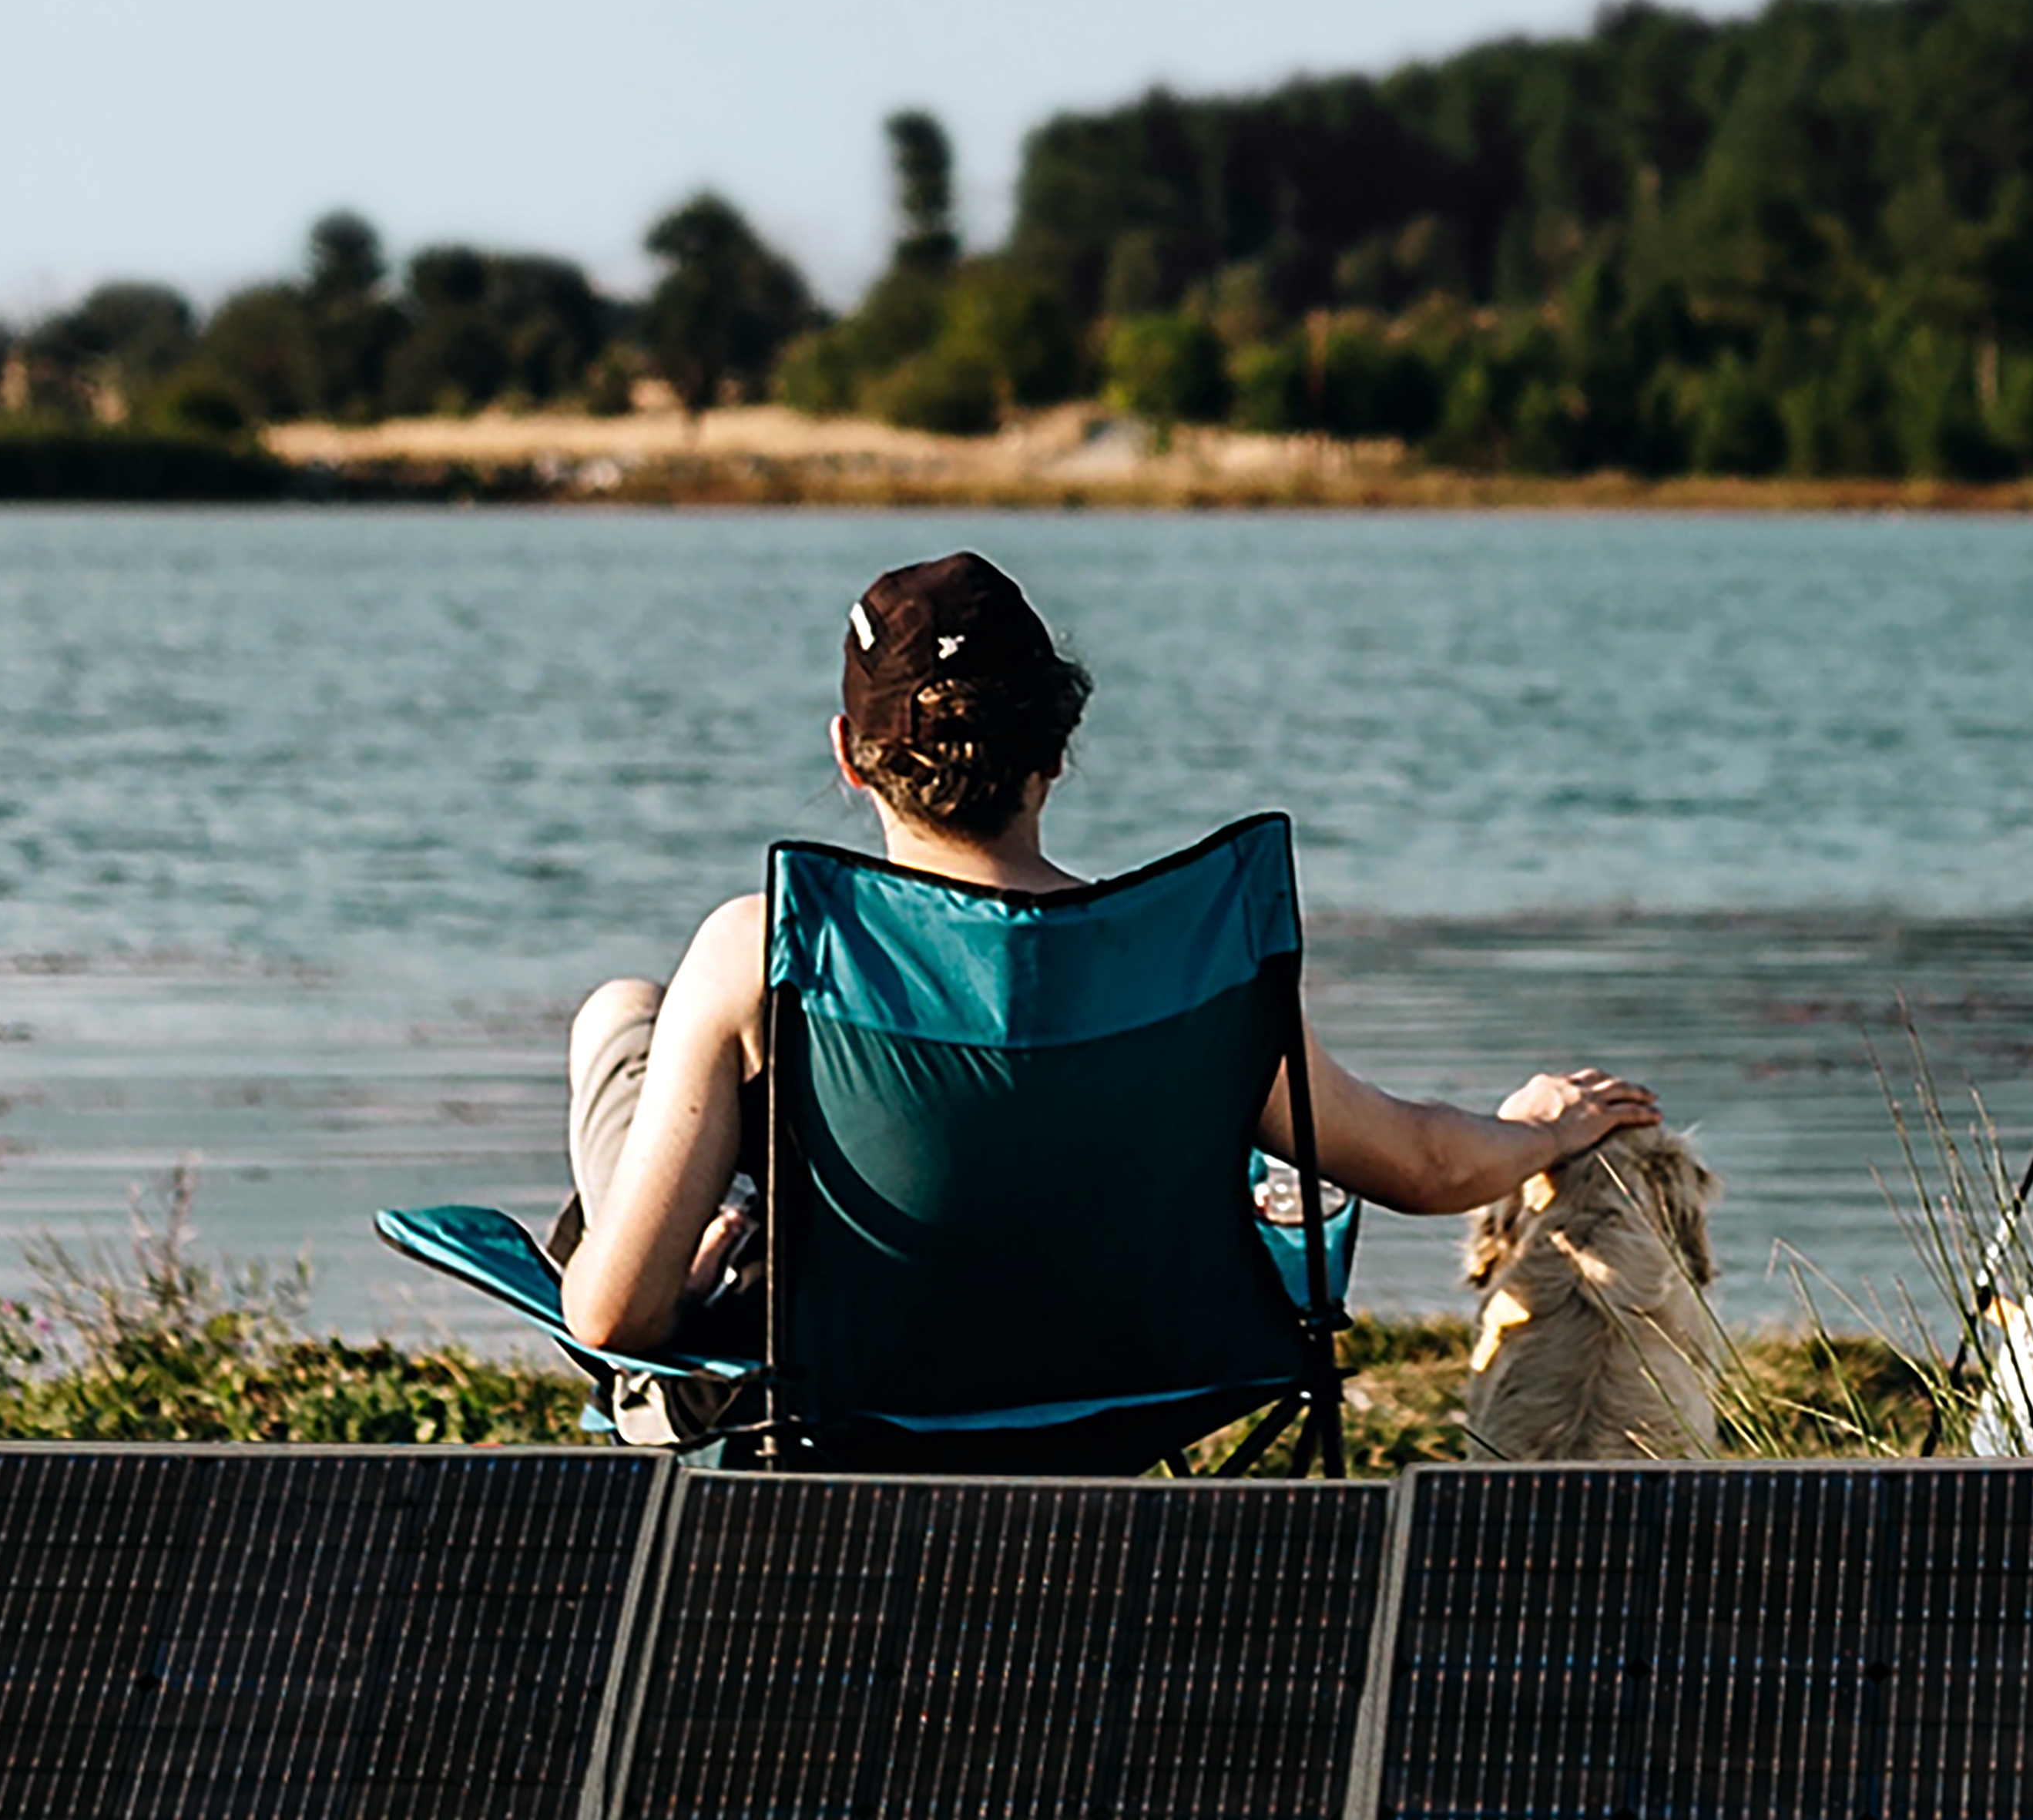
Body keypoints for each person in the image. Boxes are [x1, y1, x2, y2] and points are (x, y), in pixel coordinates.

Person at [557, 547, 1662, 1360]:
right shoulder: (1185, 955)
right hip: (1127, 1391)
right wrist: (1543, 1129)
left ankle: (710, 1229)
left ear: (851, 756)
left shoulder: (767, 944)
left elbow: (613, 1323)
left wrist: (692, 1274)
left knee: (624, 1017)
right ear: (1058, 748)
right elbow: (1421, 1165)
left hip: (830, 1406)